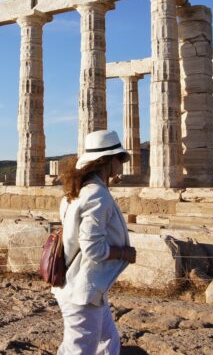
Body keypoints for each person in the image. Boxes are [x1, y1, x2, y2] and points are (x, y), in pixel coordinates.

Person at [52, 130, 137, 354]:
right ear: (107, 161)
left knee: (108, 343)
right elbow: (93, 248)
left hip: (90, 287)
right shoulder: (96, 194)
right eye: (120, 158)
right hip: (82, 289)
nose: (123, 163)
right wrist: (123, 253)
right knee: (79, 350)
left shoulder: (77, 192)